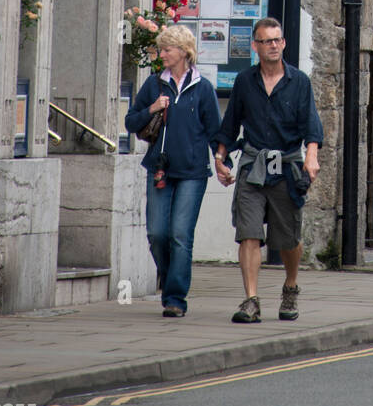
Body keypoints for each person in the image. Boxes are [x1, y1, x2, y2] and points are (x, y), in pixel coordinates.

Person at [215, 18, 322, 324]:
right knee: (248, 233)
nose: (273, 45)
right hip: (252, 166)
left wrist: (310, 157)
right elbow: (231, 123)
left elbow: (311, 125)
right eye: (267, 41)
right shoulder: (245, 81)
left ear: (284, 43)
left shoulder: (299, 81)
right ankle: (251, 300)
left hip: (286, 167)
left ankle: (290, 287)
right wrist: (221, 156)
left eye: (278, 40)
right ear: (256, 46)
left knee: (288, 239)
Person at [124, 25, 221, 318]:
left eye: (167, 49)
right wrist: (152, 108)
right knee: (156, 233)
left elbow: (215, 129)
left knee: (180, 234)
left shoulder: (203, 87)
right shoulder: (154, 85)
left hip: (192, 171)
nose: (162, 54)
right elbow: (130, 122)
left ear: (183, 52)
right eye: (161, 49)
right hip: (160, 169)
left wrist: (221, 160)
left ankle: (175, 298)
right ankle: (170, 278)